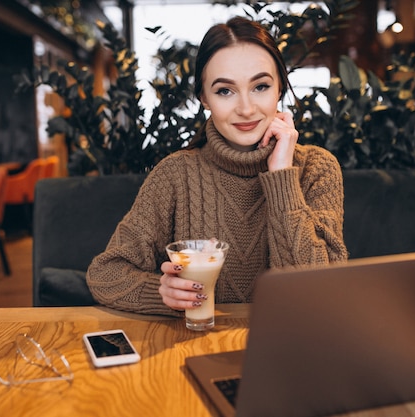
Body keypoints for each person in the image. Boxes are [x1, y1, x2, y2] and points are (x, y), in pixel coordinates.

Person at [87, 16, 348, 316]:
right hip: (195, 348)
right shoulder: (175, 175)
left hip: (290, 350)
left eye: (260, 86)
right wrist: (163, 293)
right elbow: (105, 274)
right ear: (204, 99)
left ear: (280, 89)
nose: (246, 108)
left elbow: (317, 295)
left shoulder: (317, 169)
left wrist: (281, 178)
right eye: (225, 91)